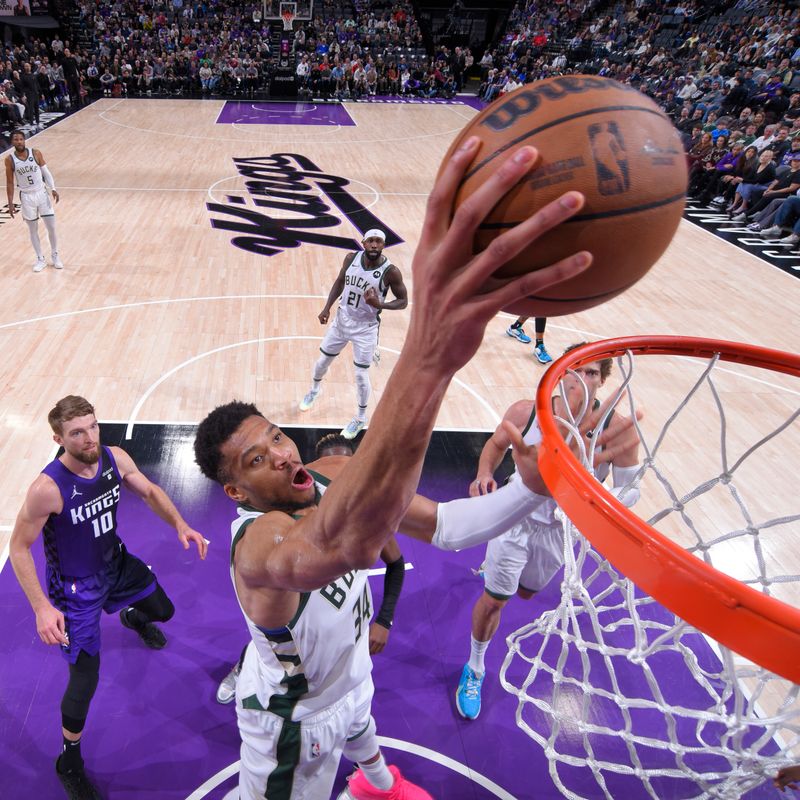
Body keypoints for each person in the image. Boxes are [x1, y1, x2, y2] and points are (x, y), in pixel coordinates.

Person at [194, 140, 614, 799]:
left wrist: (532, 487)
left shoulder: (330, 468)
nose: (282, 453)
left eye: (276, 436)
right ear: (237, 490)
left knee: (365, 734)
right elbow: (345, 543)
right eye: (258, 459)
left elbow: (447, 526)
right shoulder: (256, 546)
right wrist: (430, 353)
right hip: (290, 727)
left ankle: (377, 783)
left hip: (351, 676)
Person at [9, 395, 208, 800]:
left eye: (93, 426)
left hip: (115, 565)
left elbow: (150, 492)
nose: (89, 437)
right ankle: (69, 759)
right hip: (75, 593)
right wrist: (42, 607)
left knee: (163, 611)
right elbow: (17, 547)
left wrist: (180, 525)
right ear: (58, 438)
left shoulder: (115, 457)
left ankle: (132, 616)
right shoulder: (47, 488)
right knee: (85, 677)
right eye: (77, 432)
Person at [455, 344, 641, 720]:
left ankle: (497, 575)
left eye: (592, 373)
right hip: (514, 518)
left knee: (525, 593)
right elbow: (494, 445)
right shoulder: (527, 412)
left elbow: (631, 489)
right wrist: (484, 473)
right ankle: (474, 666)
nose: (582, 380)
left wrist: (597, 498)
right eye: (575, 371)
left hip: (561, 531)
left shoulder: (615, 430)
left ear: (602, 380)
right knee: (496, 600)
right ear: (560, 374)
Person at [215, 433, 406, 704]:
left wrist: (385, 620)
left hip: (346, 634)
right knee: (277, 634)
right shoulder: (290, 505)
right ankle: (247, 666)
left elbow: (396, 562)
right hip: (295, 683)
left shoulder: (358, 502)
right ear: (319, 466)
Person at [299, 229, 408, 440]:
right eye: (371, 241)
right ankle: (313, 391)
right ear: (363, 243)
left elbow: (403, 301)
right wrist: (326, 307)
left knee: (360, 374)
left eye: (378, 242)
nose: (374, 245)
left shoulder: (390, 272)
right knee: (322, 362)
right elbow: (340, 282)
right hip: (341, 320)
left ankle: (359, 418)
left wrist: (381, 304)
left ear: (383, 245)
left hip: (366, 328)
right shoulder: (351, 258)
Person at [5, 129, 63, 272]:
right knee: (33, 230)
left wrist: (53, 188)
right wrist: (11, 202)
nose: (19, 142)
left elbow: (46, 172)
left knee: (52, 227)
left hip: (41, 193)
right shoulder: (9, 159)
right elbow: (10, 182)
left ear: (24, 140)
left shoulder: (35, 153)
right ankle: (40, 258)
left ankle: (55, 255)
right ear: (12, 142)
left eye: (21, 139)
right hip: (26, 196)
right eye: (16, 139)